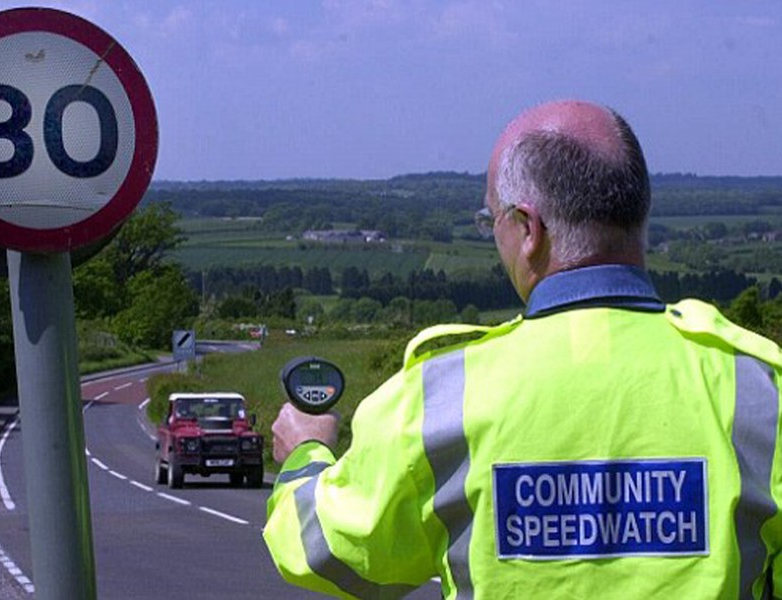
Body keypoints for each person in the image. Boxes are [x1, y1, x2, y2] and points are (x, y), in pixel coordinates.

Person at [262, 100, 782, 599]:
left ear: (529, 229)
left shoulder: (441, 396)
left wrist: (306, 453)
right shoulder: (760, 388)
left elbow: (326, 551)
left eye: (494, 220)